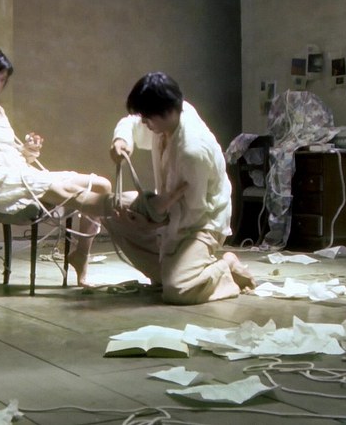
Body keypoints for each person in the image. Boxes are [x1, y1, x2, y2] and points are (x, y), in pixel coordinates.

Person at [0, 48, 112, 285]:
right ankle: (126, 209)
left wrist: (27, 151)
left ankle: (81, 254)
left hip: (20, 173)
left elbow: (7, 154)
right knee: (68, 192)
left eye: (2, 79)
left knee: (102, 185)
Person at [107, 72, 256, 305]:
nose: (144, 123)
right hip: (172, 211)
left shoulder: (192, 151)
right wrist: (121, 140)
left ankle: (224, 267)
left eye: (147, 118)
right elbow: (132, 122)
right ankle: (176, 271)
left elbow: (191, 213)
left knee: (178, 290)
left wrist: (152, 224)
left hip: (200, 223)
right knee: (111, 210)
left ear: (166, 112)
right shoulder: (169, 117)